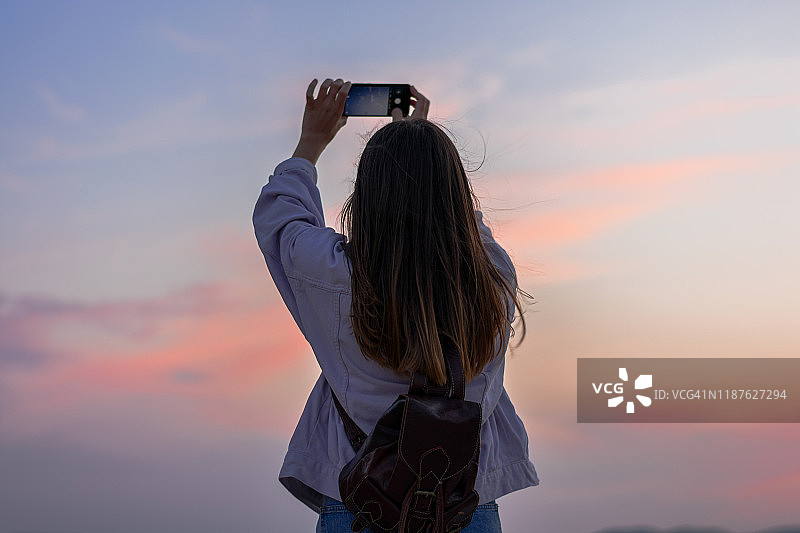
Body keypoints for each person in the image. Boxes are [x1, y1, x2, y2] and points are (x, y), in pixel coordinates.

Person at [253, 78, 539, 532]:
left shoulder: (331, 274)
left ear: (365, 196)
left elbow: (280, 216)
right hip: (465, 506)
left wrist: (310, 143)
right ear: (457, 191)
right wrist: (420, 147)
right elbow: (468, 230)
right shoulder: (494, 278)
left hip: (362, 506)